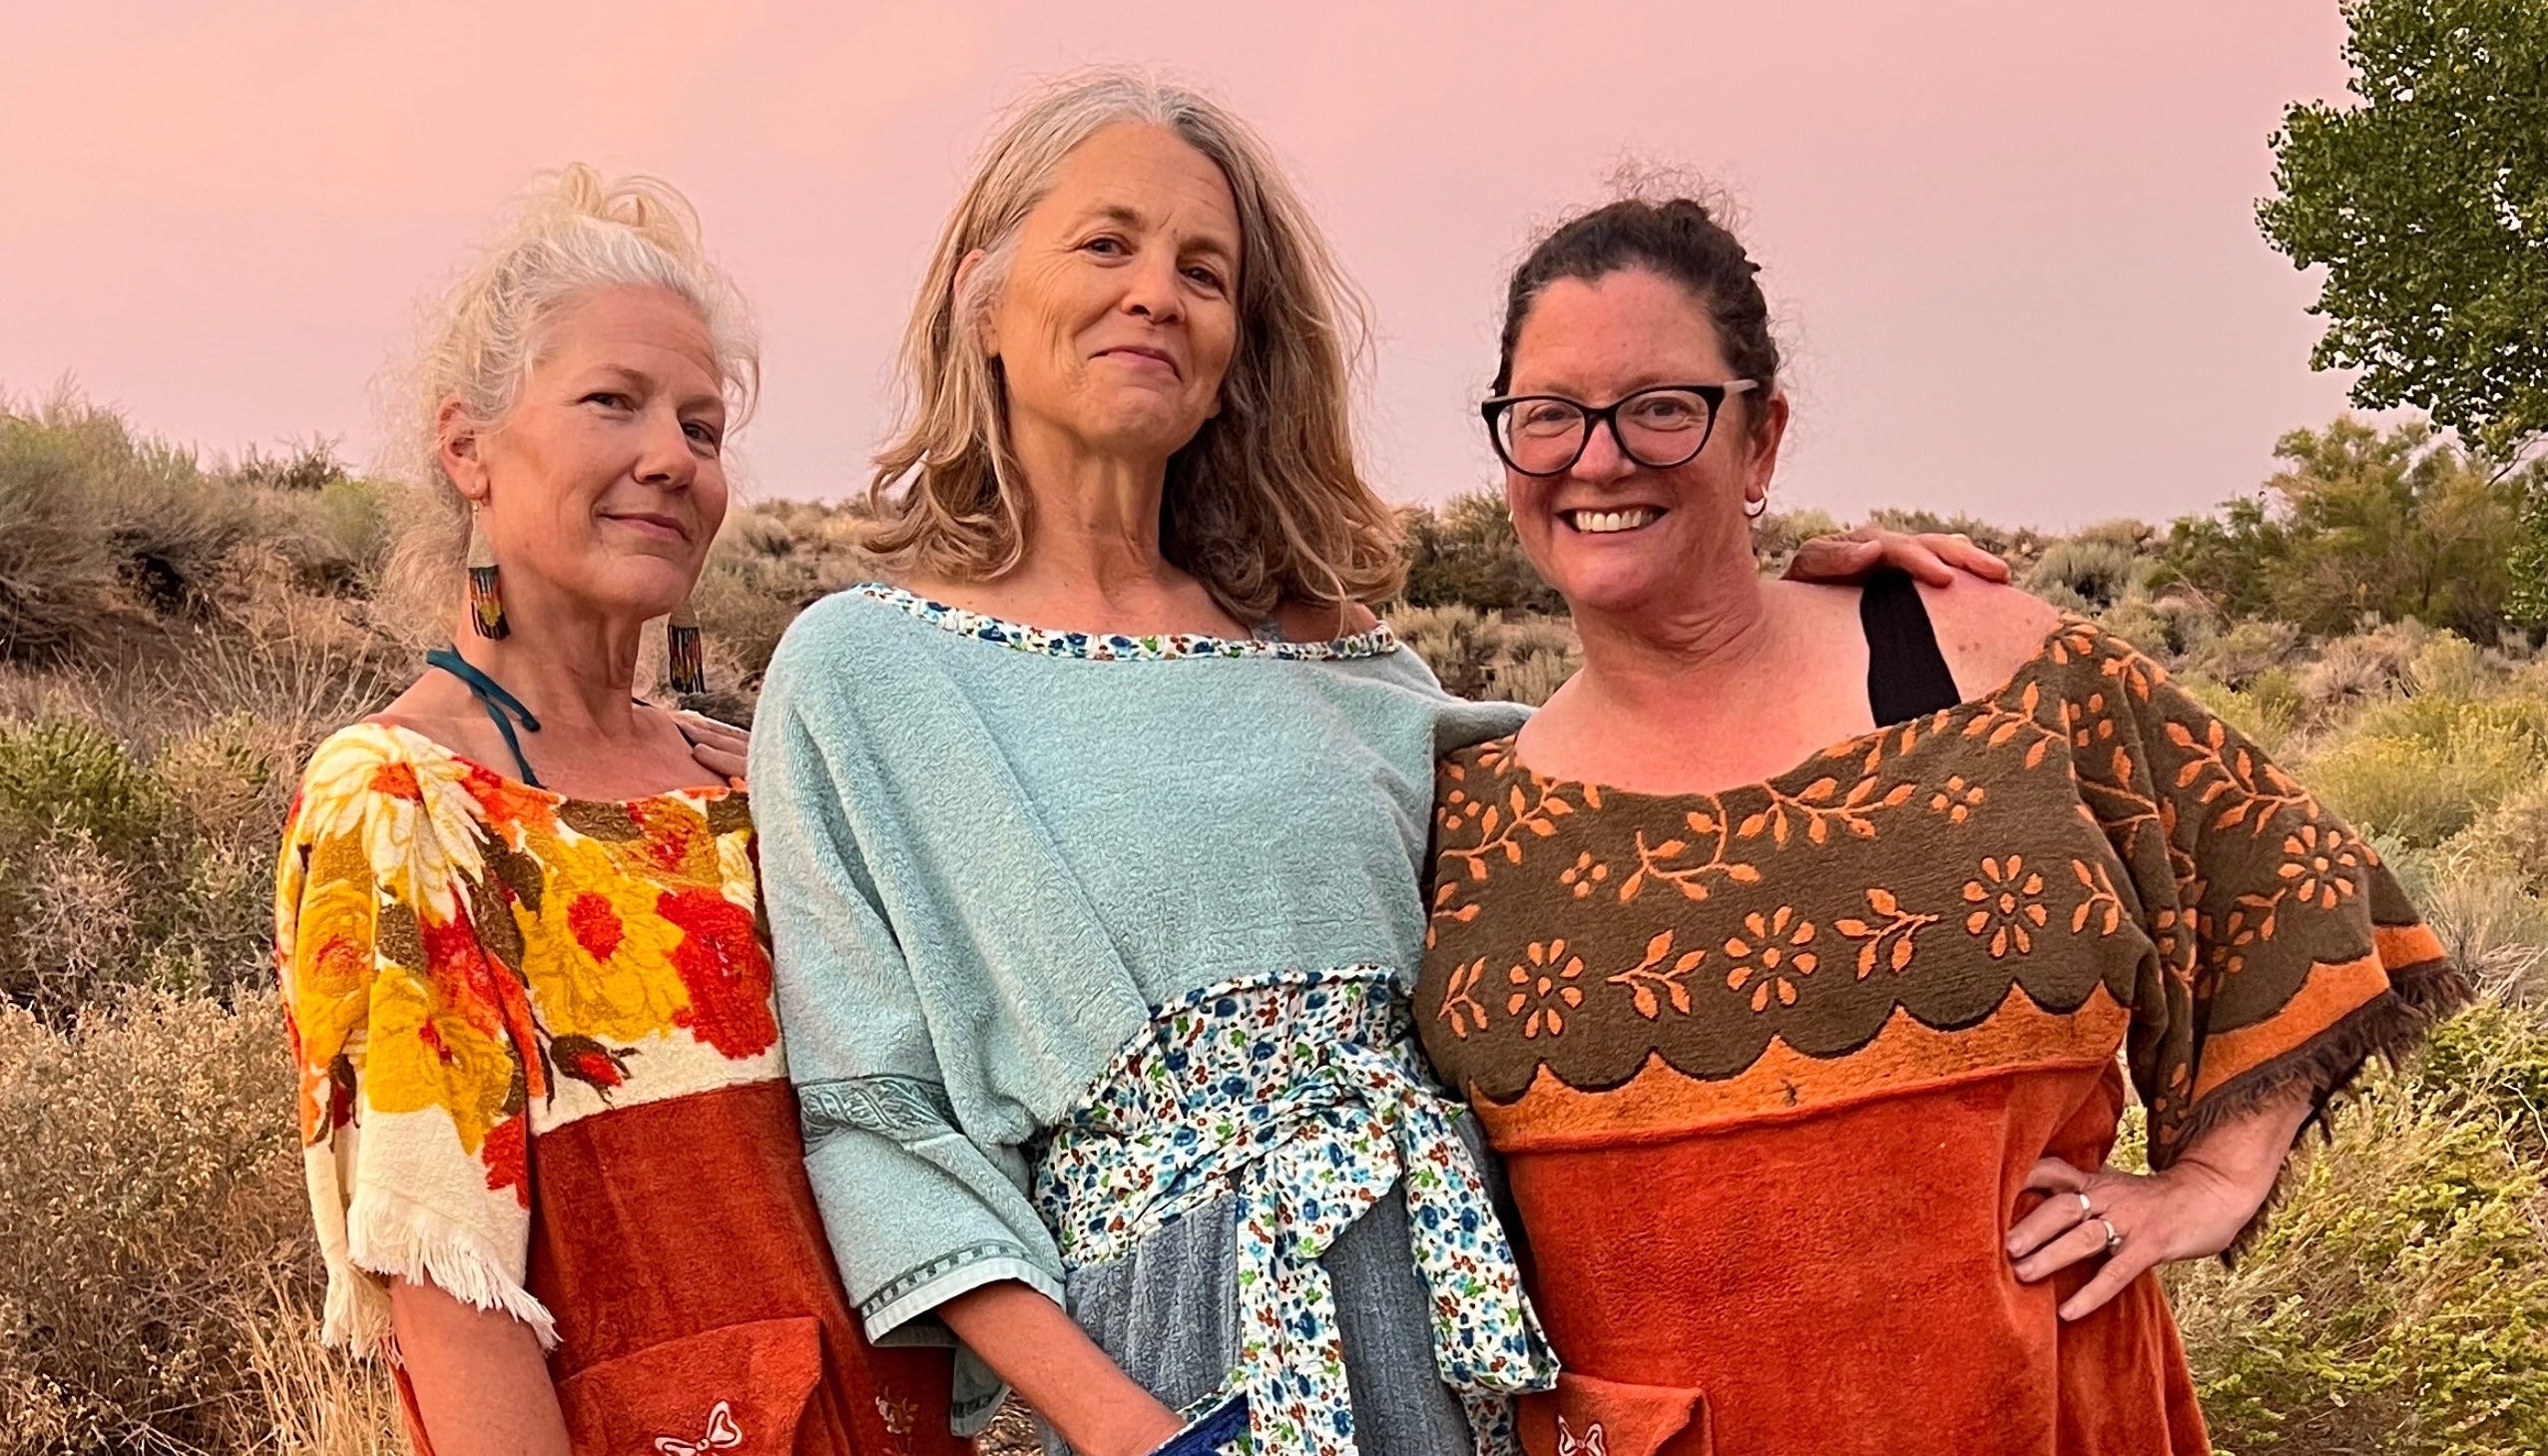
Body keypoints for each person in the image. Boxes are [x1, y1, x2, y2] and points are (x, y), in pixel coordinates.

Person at [747, 72, 1999, 1456]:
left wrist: (1787, 619)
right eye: (1106, 244)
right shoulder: (863, 672)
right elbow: (876, 1120)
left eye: (1203, 269)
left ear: (1237, 345)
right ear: (983, 297)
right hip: (1144, 1354)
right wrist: (1132, 1431)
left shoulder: (1336, 661)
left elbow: (1618, 790)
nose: (1157, 292)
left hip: (1440, 1306)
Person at [1415, 194, 2470, 1456]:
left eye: (1661, 406)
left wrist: (2209, 1183)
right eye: (1548, 416)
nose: (1598, 457)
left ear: (1760, 442)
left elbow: (2287, 878)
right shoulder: (1465, 804)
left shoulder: (1982, 672)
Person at [273, 167, 960, 1456]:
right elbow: (454, 1291)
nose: (671, 457)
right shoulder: (404, 801)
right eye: (613, 403)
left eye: (702, 429)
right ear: (466, 443)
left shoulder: (749, 779)